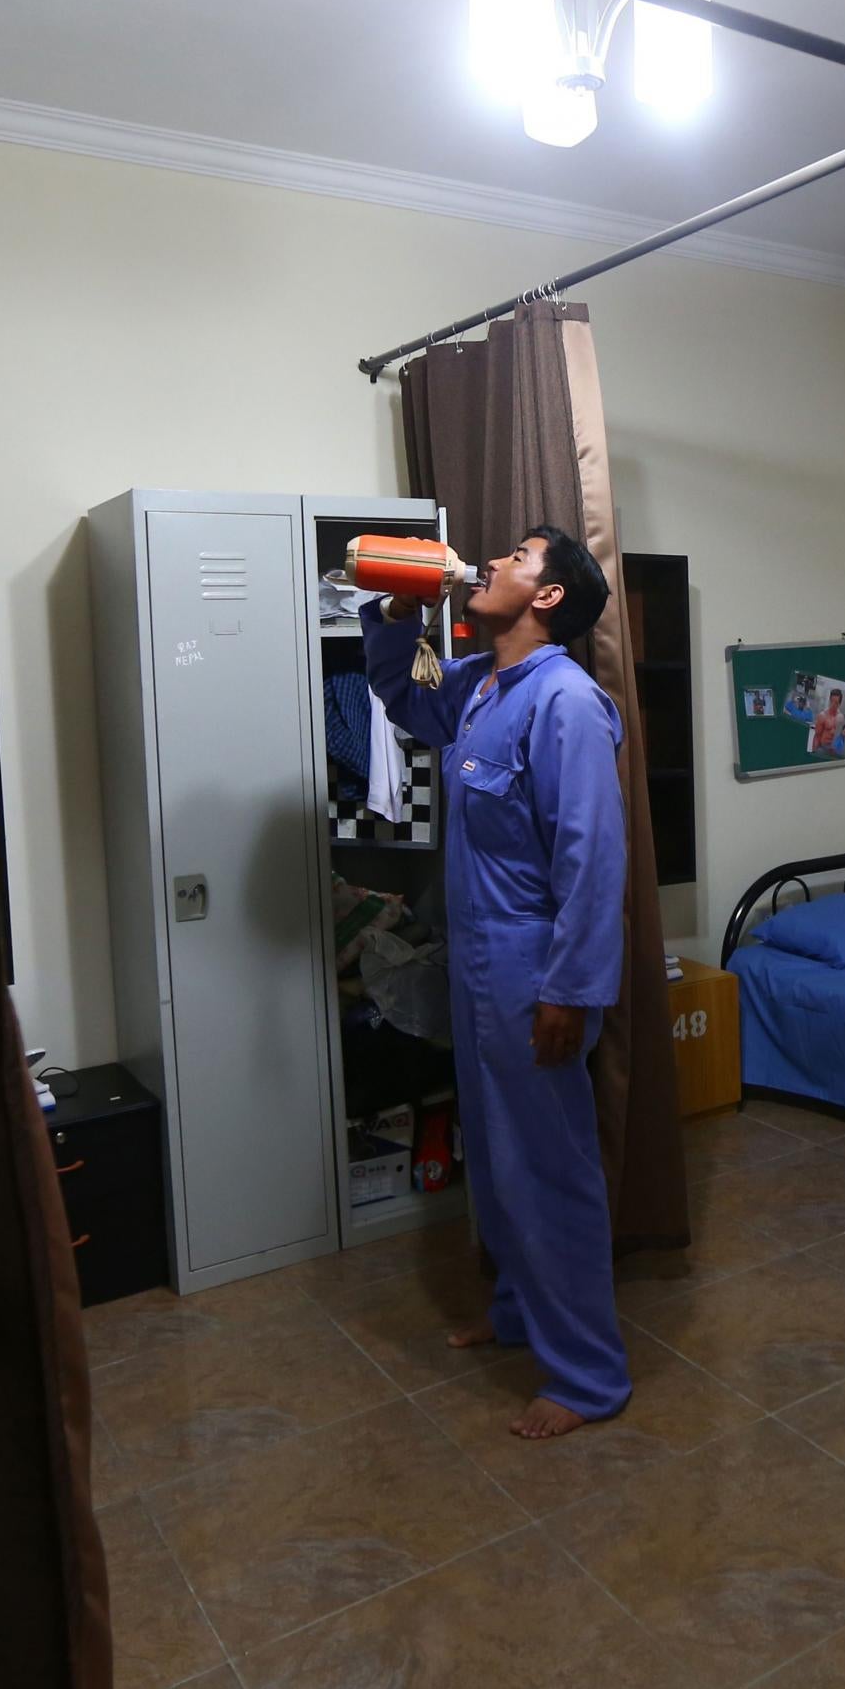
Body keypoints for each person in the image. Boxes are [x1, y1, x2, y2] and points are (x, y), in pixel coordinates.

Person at [362, 525, 632, 1439]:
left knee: (549, 1168)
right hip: (479, 962)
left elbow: (593, 862)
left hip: (534, 969)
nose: (493, 563)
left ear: (548, 596)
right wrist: (402, 607)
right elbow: (402, 692)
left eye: (518, 557)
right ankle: (522, 1315)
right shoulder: (482, 689)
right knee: (500, 1154)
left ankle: (588, 1376)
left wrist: (572, 991)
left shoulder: (567, 703)